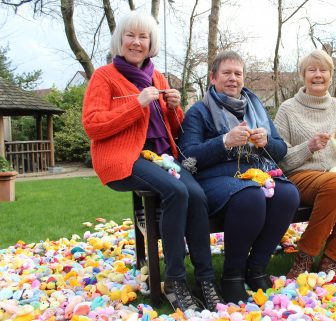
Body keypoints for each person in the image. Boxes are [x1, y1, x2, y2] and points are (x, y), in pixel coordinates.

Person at [81, 11, 223, 312]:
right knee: (177, 191)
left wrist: (173, 108)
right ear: (120, 40)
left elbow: (173, 130)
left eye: (143, 37)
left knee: (196, 195)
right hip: (124, 157)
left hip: (160, 157)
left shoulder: (157, 77)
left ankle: (206, 279)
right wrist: (137, 103)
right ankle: (174, 281)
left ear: (150, 42)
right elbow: (92, 125)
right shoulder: (104, 77)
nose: (136, 42)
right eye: (130, 35)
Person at [178, 51, 300, 303]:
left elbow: (280, 149)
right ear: (213, 78)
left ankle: (256, 268)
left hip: (256, 172)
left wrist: (266, 141)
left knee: (288, 194)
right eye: (226, 73)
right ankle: (232, 275)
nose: (233, 78)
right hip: (214, 180)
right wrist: (223, 142)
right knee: (251, 196)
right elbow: (187, 159)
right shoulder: (199, 112)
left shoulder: (256, 110)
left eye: (238, 73)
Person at [273, 49, 336, 278]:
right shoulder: (288, 109)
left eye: (323, 70)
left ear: (331, 75)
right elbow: (278, 157)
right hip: (301, 177)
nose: (318, 74)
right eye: (312, 70)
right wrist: (307, 147)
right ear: (303, 75)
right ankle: (305, 255)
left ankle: (332, 258)